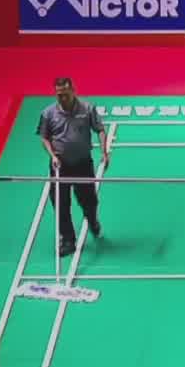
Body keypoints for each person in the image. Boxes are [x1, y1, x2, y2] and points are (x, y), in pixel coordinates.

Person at [38, 76, 109, 256]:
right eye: (59, 95)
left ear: (73, 91)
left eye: (65, 94)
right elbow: (44, 137)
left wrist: (104, 153)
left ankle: (92, 220)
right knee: (61, 203)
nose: (62, 98)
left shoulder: (87, 109)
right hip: (60, 165)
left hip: (82, 163)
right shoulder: (48, 113)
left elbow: (100, 130)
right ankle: (68, 240)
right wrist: (53, 156)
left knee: (89, 200)